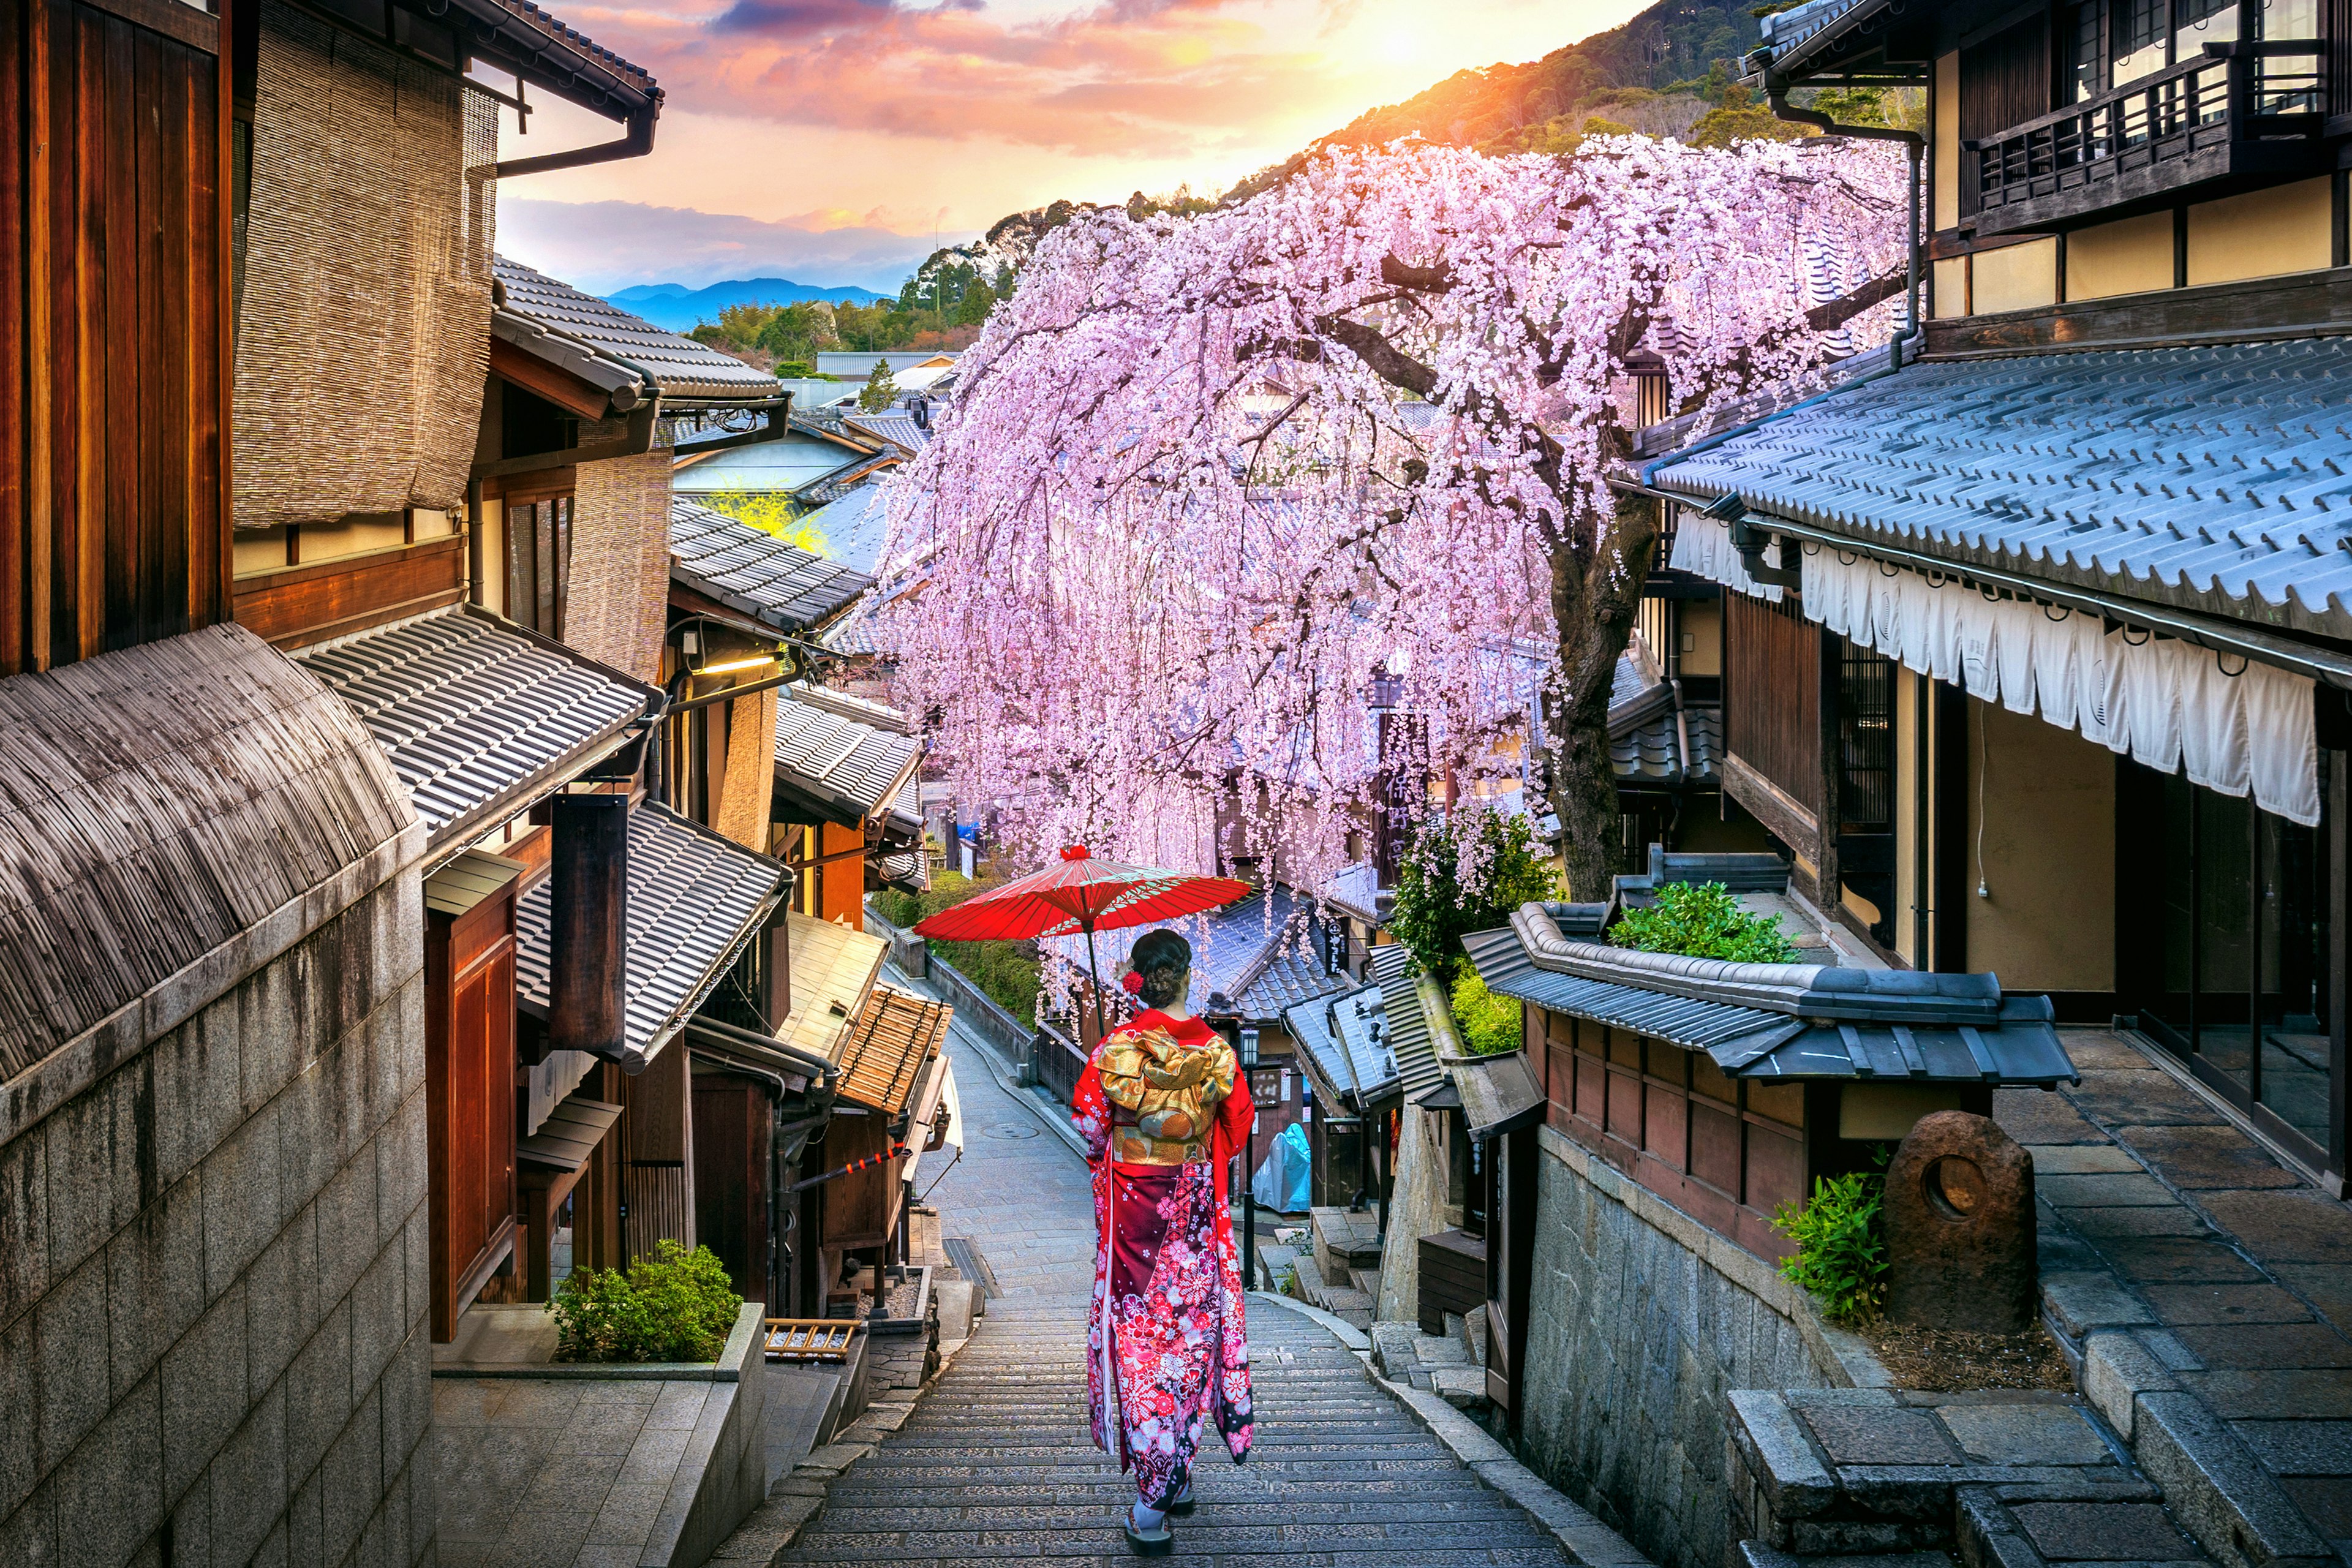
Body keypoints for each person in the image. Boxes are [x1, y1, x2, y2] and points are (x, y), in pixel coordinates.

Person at [1072, 928, 1255, 1556]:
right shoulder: (1217, 1051)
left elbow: (1093, 1130)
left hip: (1136, 1223)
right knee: (1191, 1337)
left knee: (1146, 1347)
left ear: (1138, 977)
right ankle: (1177, 1474)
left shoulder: (1114, 1050)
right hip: (1195, 1214)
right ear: (1186, 976)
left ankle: (1150, 1507)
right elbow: (1236, 1126)